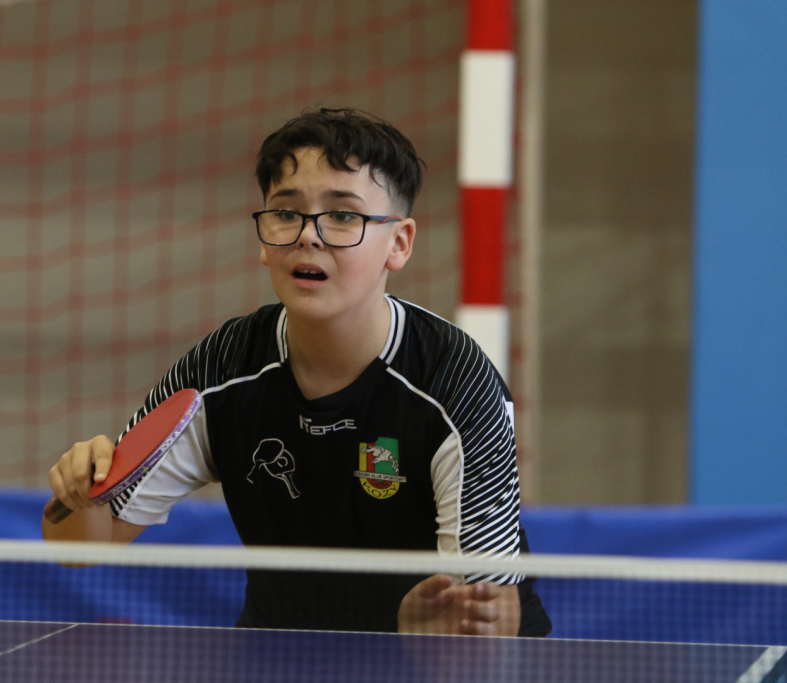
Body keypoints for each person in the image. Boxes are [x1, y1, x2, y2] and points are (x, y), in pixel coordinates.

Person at [43, 107, 551, 637]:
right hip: (282, 653)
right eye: (286, 213)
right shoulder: (222, 367)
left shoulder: (456, 381)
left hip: (440, 661)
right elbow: (79, 548)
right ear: (264, 240)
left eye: (343, 215)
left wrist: (423, 643)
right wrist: (79, 496)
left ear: (399, 243)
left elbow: (492, 612)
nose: (309, 235)